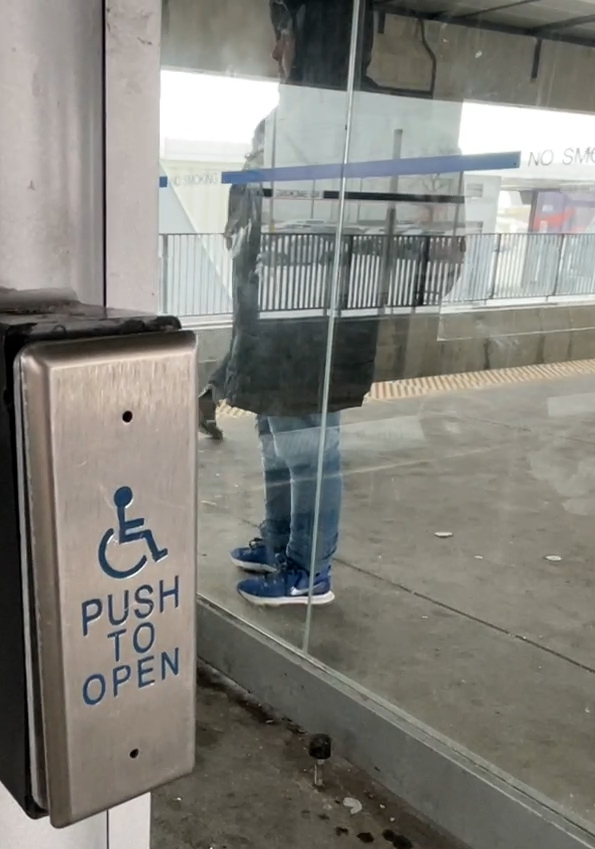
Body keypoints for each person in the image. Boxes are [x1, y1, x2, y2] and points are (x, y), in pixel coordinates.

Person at [211, 0, 376, 607]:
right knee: (278, 435)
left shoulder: (337, 119)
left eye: (283, 37)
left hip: (308, 316)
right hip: (276, 313)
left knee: (309, 447)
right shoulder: (294, 116)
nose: (273, 51)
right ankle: (281, 542)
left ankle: (309, 572)